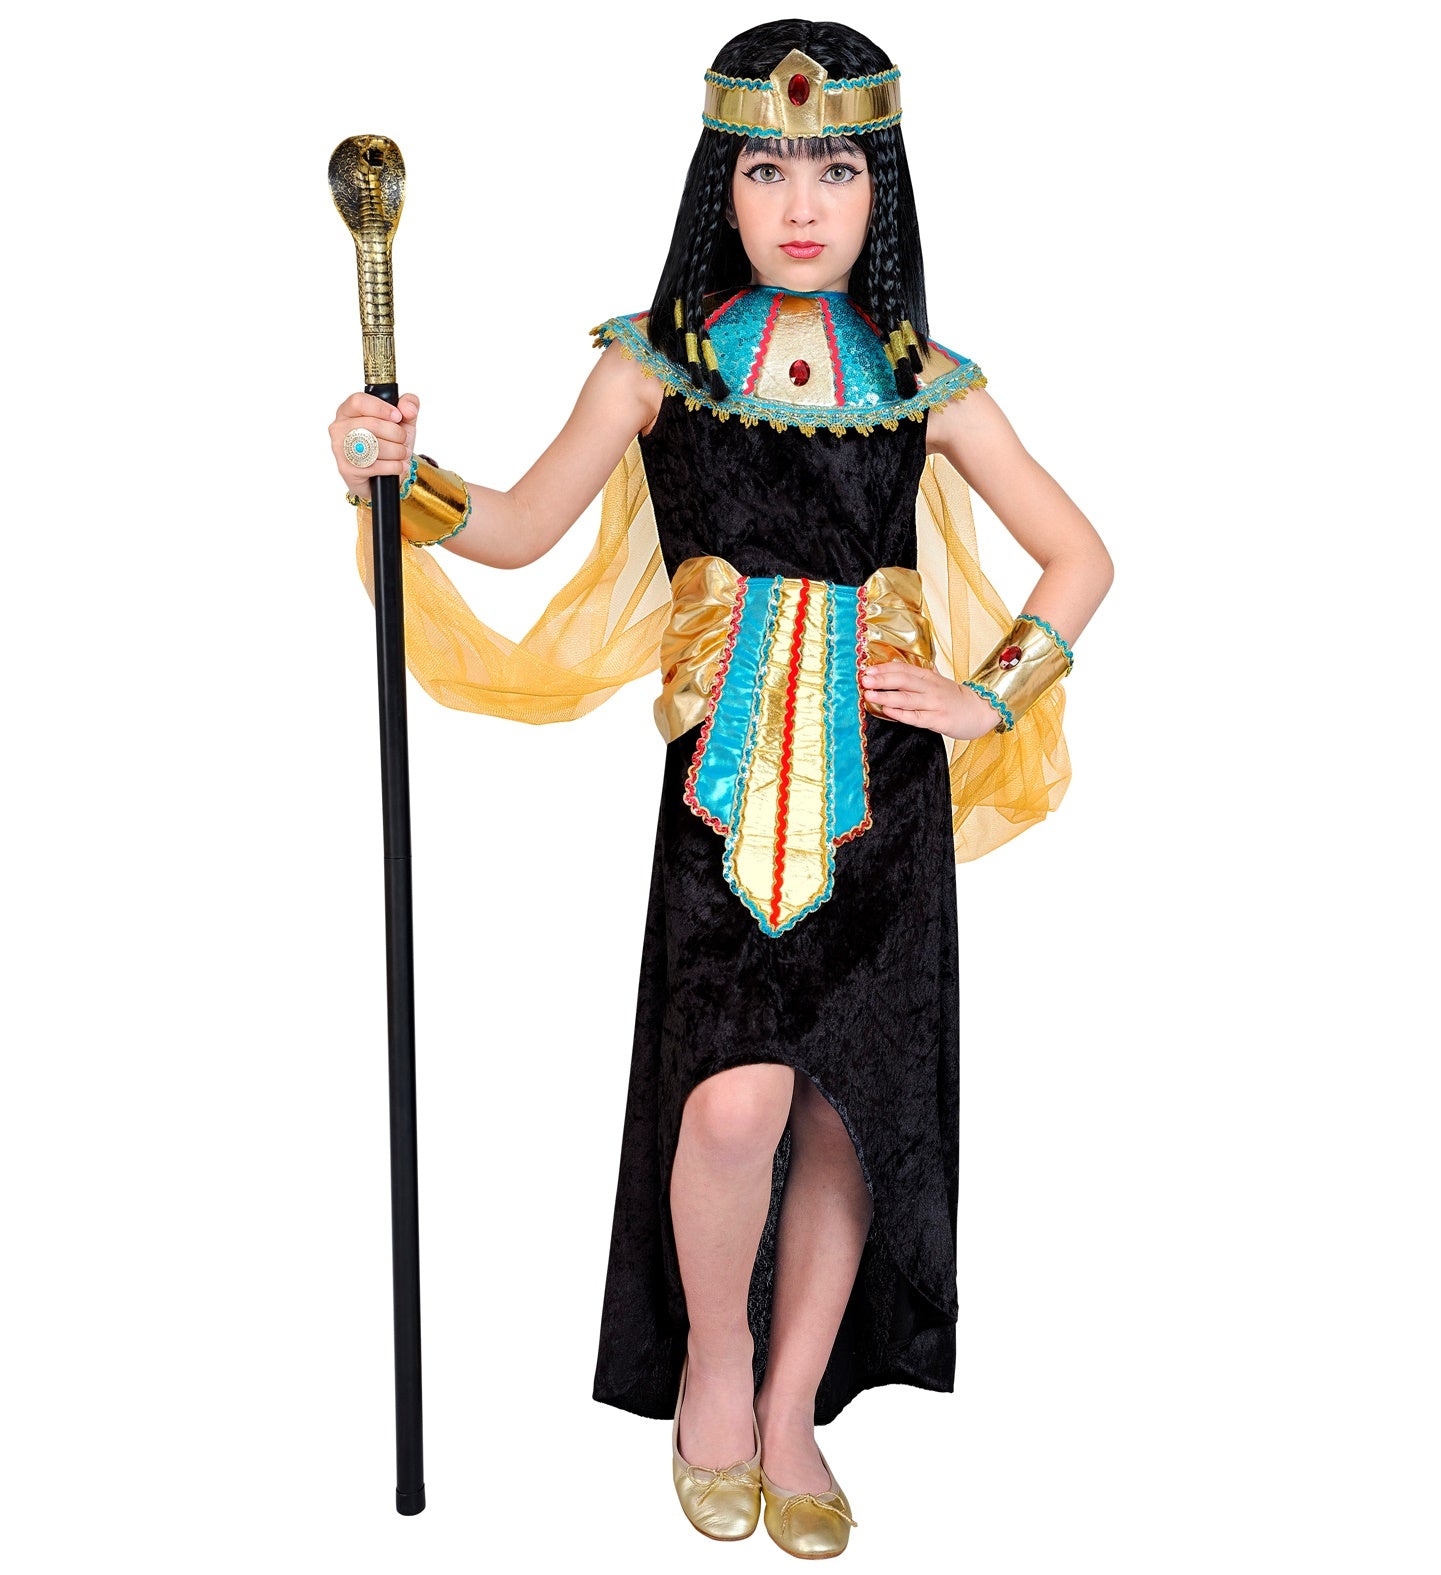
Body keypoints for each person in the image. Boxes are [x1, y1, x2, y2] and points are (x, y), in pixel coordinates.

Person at [327, 18, 1112, 1558]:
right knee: (736, 1105)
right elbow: (517, 528)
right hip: (719, 799)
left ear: (880, 186)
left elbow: (1078, 556)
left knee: (843, 1113)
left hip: (884, 797)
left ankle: (793, 1405)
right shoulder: (655, 364)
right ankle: (715, 1361)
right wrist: (393, 472)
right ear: (720, 185)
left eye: (835, 169)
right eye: (765, 168)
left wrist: (988, 694)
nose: (801, 203)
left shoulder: (926, 383)